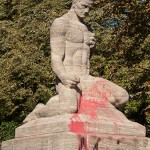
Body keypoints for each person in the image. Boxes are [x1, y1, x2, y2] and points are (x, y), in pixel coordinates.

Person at [23, 0, 129, 123]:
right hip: (68, 77)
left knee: (122, 97)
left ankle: (57, 101)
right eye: (83, 6)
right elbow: (56, 57)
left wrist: (93, 47)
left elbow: (86, 58)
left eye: (89, 8)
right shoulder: (61, 23)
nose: (87, 11)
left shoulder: (87, 28)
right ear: (74, 3)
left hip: (86, 78)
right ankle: (39, 112)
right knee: (69, 108)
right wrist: (63, 76)